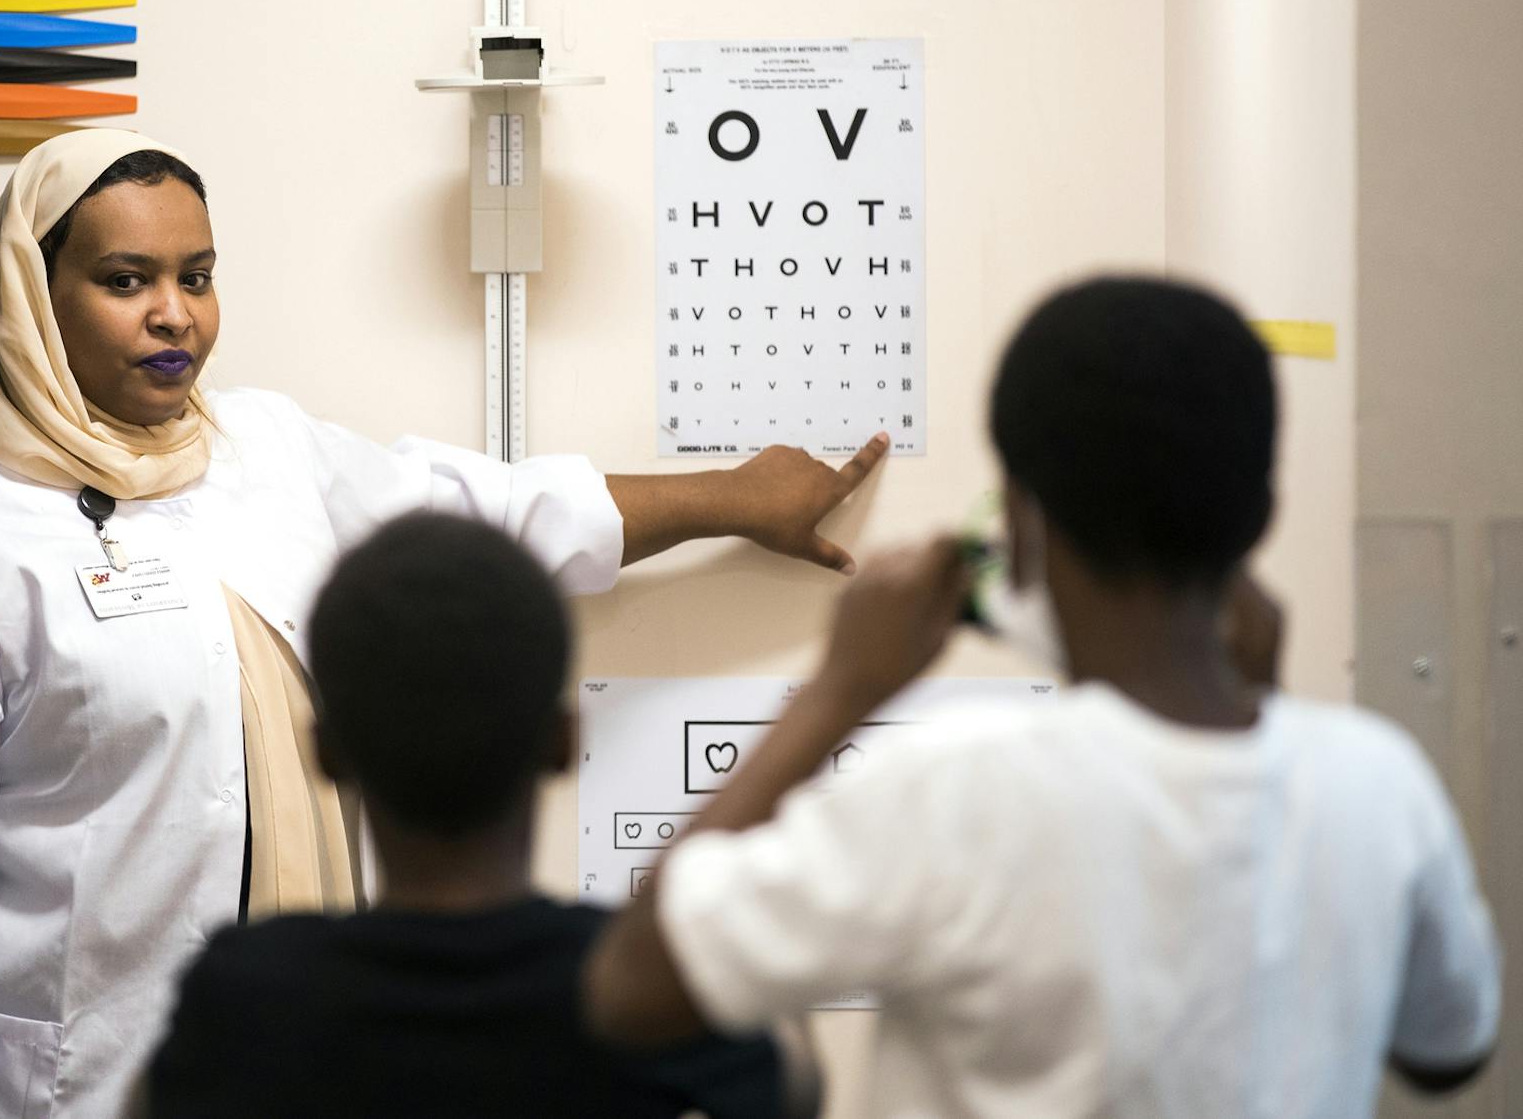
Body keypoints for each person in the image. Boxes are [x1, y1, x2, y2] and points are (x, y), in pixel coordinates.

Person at [0, 128, 887, 1118]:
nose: (175, 315)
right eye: (126, 280)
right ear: (34, 299)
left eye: (199, 274)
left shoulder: (260, 449)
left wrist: (732, 498)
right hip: (61, 1083)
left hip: (304, 1066)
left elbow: (489, 517)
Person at [582, 277, 1502, 1118]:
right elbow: (1449, 1051)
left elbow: (633, 987)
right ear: (1260, 512)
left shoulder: (953, 793)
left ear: (1020, 522)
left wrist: (839, 691)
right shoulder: (1380, 786)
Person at [142, 513, 802, 1118]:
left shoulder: (242, 995)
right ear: (565, 743)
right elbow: (797, 1090)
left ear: (326, 753)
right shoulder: (645, 995)